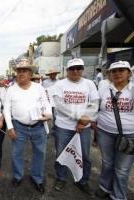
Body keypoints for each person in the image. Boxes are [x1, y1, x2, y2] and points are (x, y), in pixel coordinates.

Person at [52, 58, 99, 195]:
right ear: (67, 70)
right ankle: (61, 178)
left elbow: (95, 103)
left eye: (79, 68)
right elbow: (60, 105)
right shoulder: (60, 84)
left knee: (84, 155)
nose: (75, 71)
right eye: (72, 68)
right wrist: (80, 117)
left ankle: (83, 180)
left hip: (83, 127)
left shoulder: (89, 84)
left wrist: (84, 121)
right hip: (63, 126)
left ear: (82, 69)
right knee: (61, 153)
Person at [3, 61, 52, 194]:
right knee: (16, 154)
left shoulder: (39, 88)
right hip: (19, 127)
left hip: (38, 127)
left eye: (25, 70)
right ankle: (18, 176)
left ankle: (37, 178)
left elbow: (46, 104)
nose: (21, 73)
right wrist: (10, 127)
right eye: (19, 71)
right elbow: (6, 109)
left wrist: (48, 114)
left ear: (30, 73)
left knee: (40, 154)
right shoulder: (11, 89)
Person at [95, 61, 134, 200]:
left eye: (122, 70)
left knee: (122, 170)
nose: (118, 73)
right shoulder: (104, 89)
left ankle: (118, 196)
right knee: (107, 163)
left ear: (129, 73)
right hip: (105, 132)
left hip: (129, 135)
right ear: (109, 74)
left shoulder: (132, 89)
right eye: (114, 71)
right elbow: (96, 107)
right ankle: (105, 187)